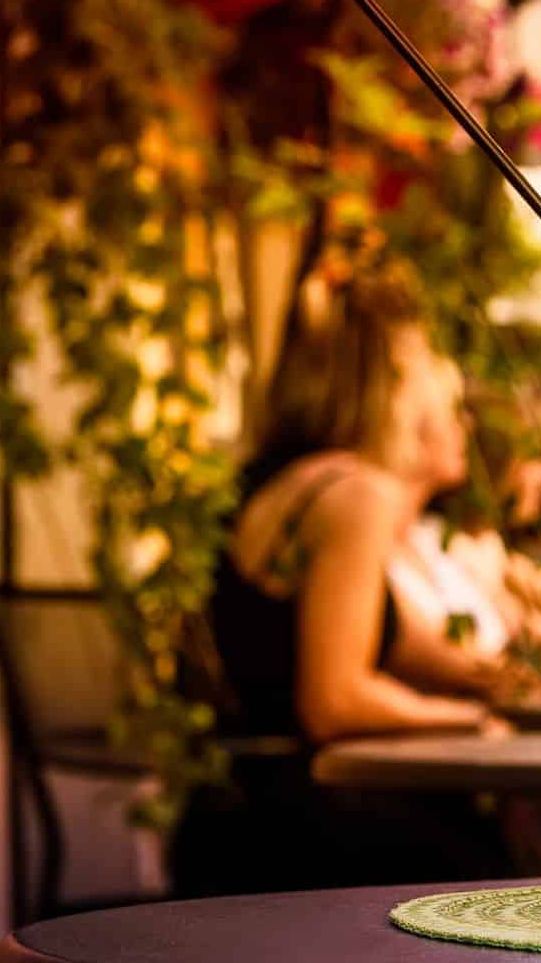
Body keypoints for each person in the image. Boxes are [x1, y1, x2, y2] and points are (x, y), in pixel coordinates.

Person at [171, 260, 513, 895]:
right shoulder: (358, 492)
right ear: (393, 385)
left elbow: (354, 636)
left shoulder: (285, 480)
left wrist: (476, 676)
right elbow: (333, 701)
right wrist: (466, 722)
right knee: (497, 866)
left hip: (231, 816)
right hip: (305, 832)